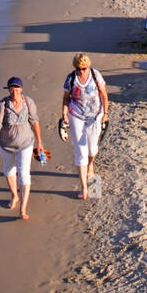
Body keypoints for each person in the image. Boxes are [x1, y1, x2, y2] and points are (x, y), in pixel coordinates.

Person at [0, 78, 45, 221]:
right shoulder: (3, 104)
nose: (14, 91)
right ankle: (14, 195)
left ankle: (23, 209)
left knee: (23, 173)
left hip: (26, 144)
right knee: (8, 171)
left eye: (17, 88)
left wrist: (39, 143)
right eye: (12, 89)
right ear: (8, 90)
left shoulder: (28, 102)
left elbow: (35, 122)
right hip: (6, 145)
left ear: (21, 89)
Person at [61, 54, 109, 201]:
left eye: (84, 68)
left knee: (92, 149)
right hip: (76, 115)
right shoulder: (71, 78)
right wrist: (64, 114)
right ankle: (84, 188)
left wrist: (105, 113)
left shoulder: (95, 75)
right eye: (78, 69)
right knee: (80, 151)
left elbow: (104, 95)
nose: (81, 71)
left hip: (95, 115)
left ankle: (91, 166)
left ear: (88, 66)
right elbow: (66, 97)